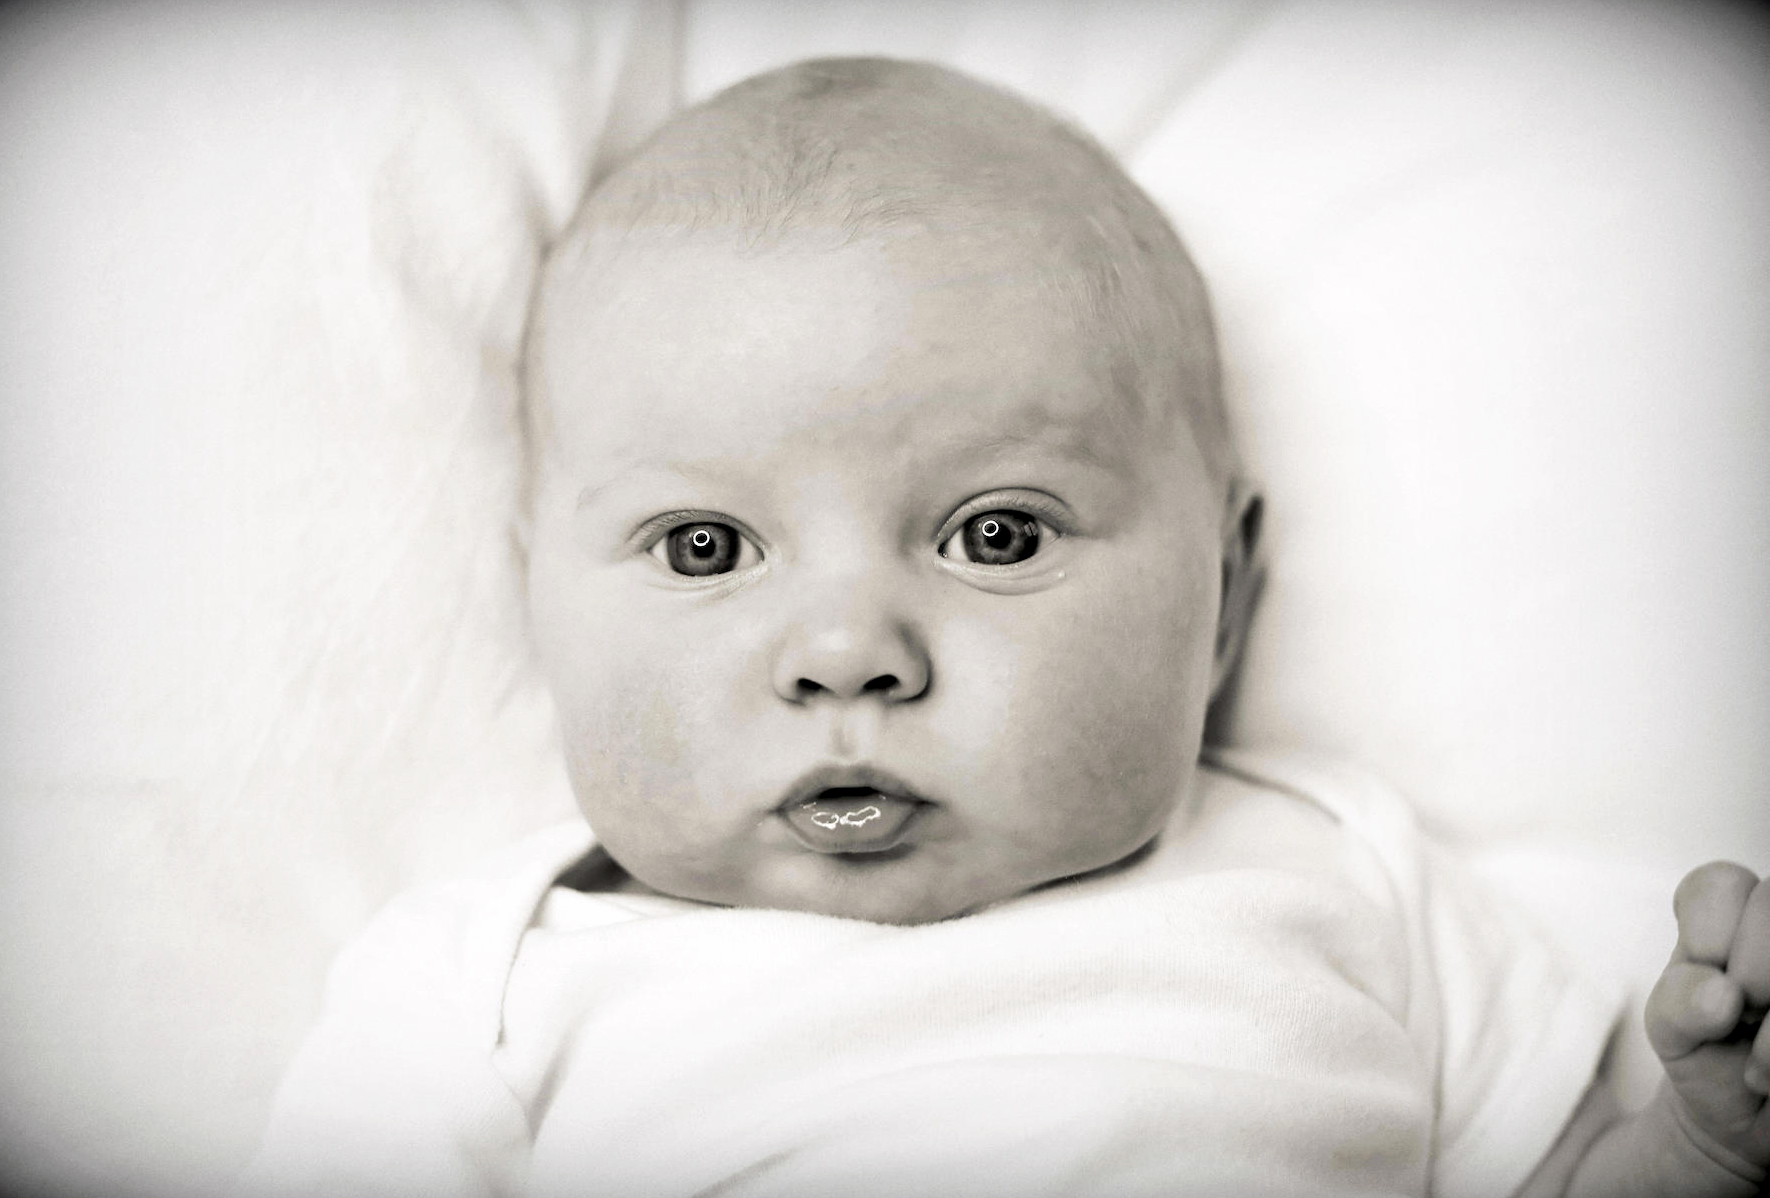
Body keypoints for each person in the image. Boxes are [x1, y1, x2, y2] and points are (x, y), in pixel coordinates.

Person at [240, 57, 1769, 1197]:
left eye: (999, 535)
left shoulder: (1347, 875)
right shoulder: (483, 986)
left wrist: (1701, 1140)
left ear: (1223, 595)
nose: (848, 653)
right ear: (539, 605)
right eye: (707, 547)